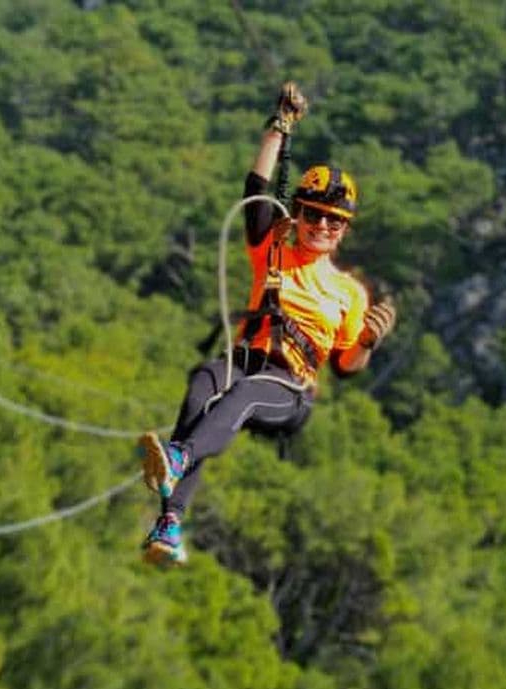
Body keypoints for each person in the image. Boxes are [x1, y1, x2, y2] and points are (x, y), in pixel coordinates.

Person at [138, 82, 397, 566]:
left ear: (345, 230)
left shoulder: (348, 293)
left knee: (240, 397)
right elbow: (256, 191)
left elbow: (347, 364)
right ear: (298, 213)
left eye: (334, 221)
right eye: (314, 215)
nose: (322, 226)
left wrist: (367, 341)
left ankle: (177, 461)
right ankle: (169, 524)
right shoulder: (274, 245)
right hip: (246, 358)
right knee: (201, 384)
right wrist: (280, 128)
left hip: (289, 387)